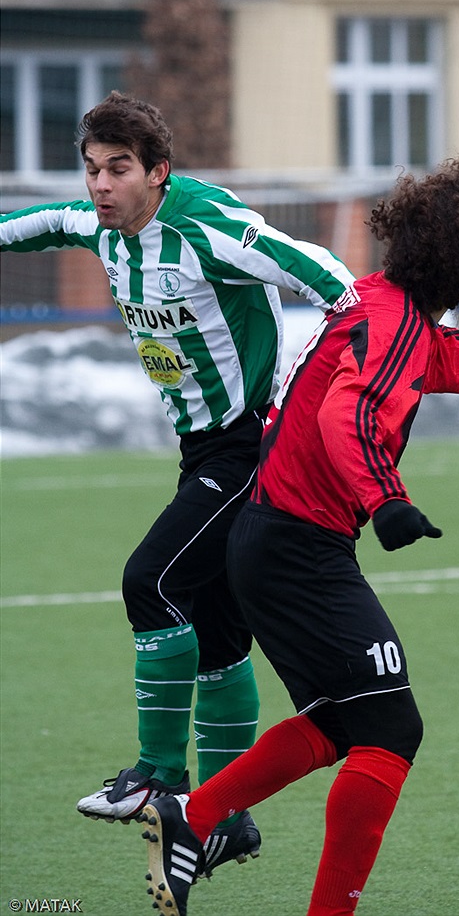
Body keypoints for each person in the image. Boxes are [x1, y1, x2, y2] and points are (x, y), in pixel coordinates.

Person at [134, 156, 459, 916]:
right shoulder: (389, 326)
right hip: (295, 548)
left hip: (274, 542)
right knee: (391, 725)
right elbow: (343, 414)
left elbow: (452, 358)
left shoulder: (383, 307)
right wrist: (388, 502)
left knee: (343, 720)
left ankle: (193, 816)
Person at [0, 91, 355, 875]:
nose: (100, 185)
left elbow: (329, 275)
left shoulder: (205, 227)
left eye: (118, 170)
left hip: (249, 447)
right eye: (92, 169)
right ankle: (230, 819)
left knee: (150, 582)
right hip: (202, 450)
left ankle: (160, 776)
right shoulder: (102, 226)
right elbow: (29, 227)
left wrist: (351, 366)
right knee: (219, 636)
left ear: (158, 171)